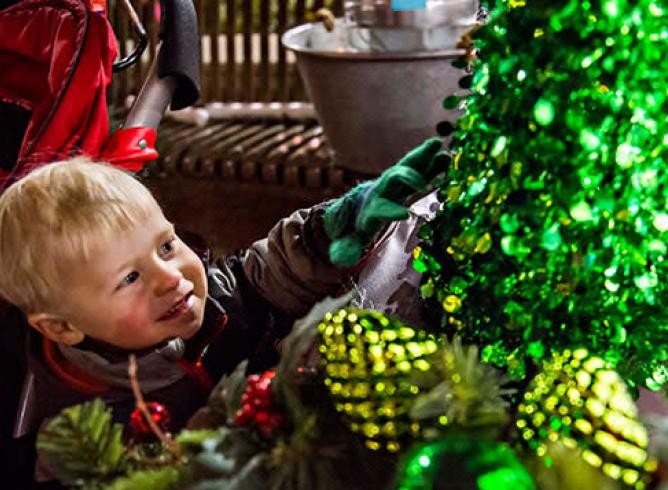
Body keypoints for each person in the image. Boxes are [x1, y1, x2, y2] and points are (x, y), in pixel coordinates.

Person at [0, 138, 449, 441]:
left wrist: (339, 224)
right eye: (130, 278)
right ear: (61, 327)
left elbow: (269, 270)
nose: (170, 276)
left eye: (167, 245)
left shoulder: (212, 299)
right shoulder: (82, 433)